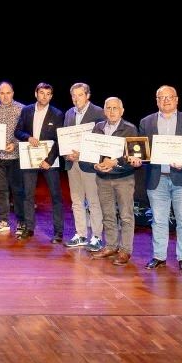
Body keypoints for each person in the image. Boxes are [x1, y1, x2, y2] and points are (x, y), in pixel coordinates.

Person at [138, 85, 182, 273]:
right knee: (158, 220)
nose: (166, 100)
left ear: (177, 99)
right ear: (156, 100)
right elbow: (142, 150)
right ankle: (159, 257)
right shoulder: (146, 122)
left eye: (169, 97)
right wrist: (137, 157)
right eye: (161, 97)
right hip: (157, 178)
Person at [87, 97, 138, 266]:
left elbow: (133, 156)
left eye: (115, 108)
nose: (112, 111)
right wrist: (97, 164)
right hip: (103, 178)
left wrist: (114, 162)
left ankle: (125, 251)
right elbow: (93, 152)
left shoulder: (130, 129)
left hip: (123, 178)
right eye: (108, 108)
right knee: (108, 215)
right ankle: (110, 245)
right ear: (104, 110)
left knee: (126, 216)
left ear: (122, 110)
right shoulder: (98, 127)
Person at [14, 82, 65, 242]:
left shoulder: (57, 114)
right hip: (30, 158)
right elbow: (18, 131)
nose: (44, 96)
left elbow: (59, 140)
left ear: (51, 96)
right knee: (28, 195)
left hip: (49, 161)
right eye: (41, 93)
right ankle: (29, 228)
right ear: (36, 94)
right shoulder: (26, 110)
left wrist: (49, 160)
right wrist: (28, 137)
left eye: (48, 94)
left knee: (55, 196)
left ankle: (58, 232)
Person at [62, 83, 106, 251]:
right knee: (77, 201)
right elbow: (65, 137)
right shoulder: (68, 113)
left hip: (89, 163)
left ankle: (96, 236)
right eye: (73, 95)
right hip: (72, 163)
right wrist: (67, 152)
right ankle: (80, 234)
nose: (76, 99)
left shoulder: (99, 113)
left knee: (94, 201)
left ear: (87, 95)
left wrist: (82, 154)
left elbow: (100, 140)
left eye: (80, 95)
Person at [0, 81, 25, 234]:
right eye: (2, 93)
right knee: (1, 190)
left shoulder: (22, 109)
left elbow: (26, 131)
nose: (5, 96)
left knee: (17, 190)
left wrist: (15, 144)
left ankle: (21, 221)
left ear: (13, 93)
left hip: (16, 156)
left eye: (8, 93)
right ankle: (3, 221)